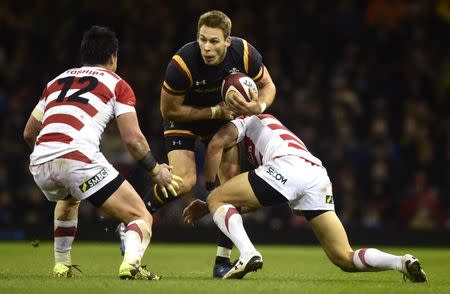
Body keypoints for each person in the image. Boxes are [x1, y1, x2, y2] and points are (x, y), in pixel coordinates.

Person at [118, 10, 276, 277]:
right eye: (202, 39)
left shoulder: (245, 53)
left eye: (214, 41)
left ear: (228, 41)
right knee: (183, 181)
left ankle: (222, 262)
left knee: (229, 187)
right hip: (187, 119)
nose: (207, 47)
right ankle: (136, 219)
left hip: (222, 122)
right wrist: (215, 111)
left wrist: (257, 105)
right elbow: (168, 110)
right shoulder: (182, 63)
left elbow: (268, 85)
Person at [182, 113, 428, 282]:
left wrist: (211, 196)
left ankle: (247, 253)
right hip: (316, 174)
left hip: (288, 167)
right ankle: (400, 262)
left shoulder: (244, 119)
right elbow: (251, 200)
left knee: (217, 198)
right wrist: (214, 205)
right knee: (343, 256)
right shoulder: (270, 127)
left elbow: (215, 145)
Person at [23, 25, 182, 280]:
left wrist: (51, 156)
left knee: (68, 198)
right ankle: (132, 264)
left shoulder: (55, 82)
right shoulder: (117, 83)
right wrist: (156, 170)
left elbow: (29, 133)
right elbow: (133, 140)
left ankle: (61, 265)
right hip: (78, 158)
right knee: (140, 216)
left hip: (40, 162)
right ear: (113, 57)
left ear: (84, 54)